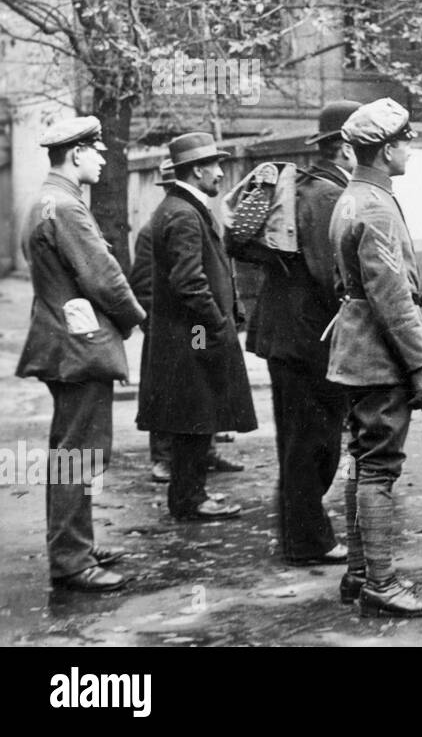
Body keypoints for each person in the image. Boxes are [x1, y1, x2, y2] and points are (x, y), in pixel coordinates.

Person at [17, 117, 146, 592]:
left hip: (61, 341)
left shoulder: (44, 202)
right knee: (80, 453)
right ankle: (71, 558)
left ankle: (76, 544)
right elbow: (102, 275)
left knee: (70, 451)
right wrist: (135, 318)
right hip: (79, 346)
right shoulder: (68, 207)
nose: (102, 158)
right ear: (75, 155)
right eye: (96, 150)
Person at [327, 98, 422, 617]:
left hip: (355, 348)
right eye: (406, 143)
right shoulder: (374, 204)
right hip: (379, 353)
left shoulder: (351, 197)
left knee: (361, 461)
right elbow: (392, 295)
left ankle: (358, 572)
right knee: (380, 468)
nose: (410, 152)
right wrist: (418, 363)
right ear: (387, 148)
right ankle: (381, 581)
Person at [243, 101, 360, 566]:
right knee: (312, 442)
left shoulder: (309, 187)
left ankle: (300, 534)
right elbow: (331, 275)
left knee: (302, 440)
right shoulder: (328, 196)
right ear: (346, 148)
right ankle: (308, 541)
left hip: (288, 335)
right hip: (307, 339)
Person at [137, 132, 257, 522]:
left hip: (191, 333)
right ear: (197, 169)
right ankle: (189, 499)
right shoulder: (184, 214)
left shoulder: (182, 208)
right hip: (193, 333)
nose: (221, 174)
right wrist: (216, 326)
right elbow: (189, 283)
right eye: (215, 166)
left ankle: (192, 493)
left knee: (197, 412)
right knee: (194, 413)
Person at [130, 162, 240, 484]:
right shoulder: (165, 223)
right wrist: (160, 326)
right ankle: (166, 460)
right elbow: (145, 283)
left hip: (194, 327)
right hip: (180, 327)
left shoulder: (193, 214)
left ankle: (203, 452)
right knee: (178, 391)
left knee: (199, 387)